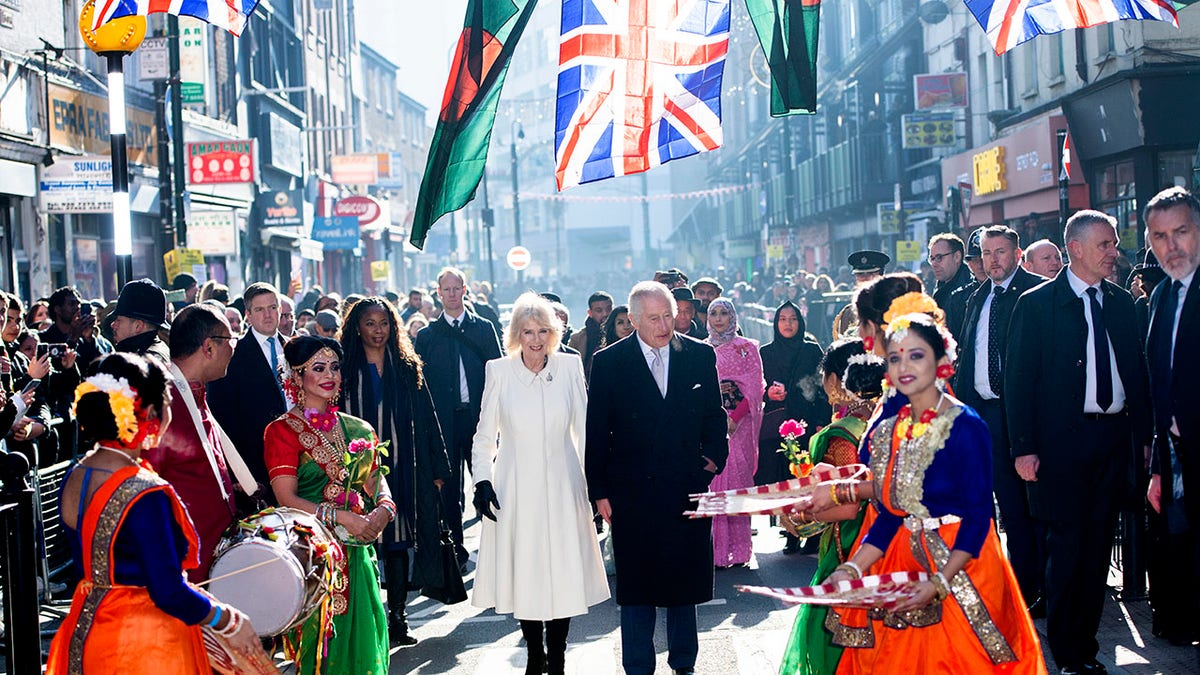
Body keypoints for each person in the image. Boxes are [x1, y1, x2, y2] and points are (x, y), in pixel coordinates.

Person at [821, 313, 1046, 674]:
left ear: (942, 362)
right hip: (907, 562)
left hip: (965, 563)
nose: (904, 366)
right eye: (894, 358)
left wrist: (941, 581)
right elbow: (893, 512)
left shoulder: (966, 424)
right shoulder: (893, 428)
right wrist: (851, 568)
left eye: (916, 355)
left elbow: (978, 517)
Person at [46, 353, 263, 674]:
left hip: (88, 629)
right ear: (148, 413)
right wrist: (228, 619)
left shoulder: (76, 474)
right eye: (167, 403)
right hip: (144, 643)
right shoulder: (145, 492)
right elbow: (168, 591)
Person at [1005, 210, 1151, 675]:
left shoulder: (1121, 303)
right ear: (1076, 249)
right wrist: (1022, 447)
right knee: (1067, 550)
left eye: (1113, 244)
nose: (1114, 253)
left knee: (1097, 550)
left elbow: (1137, 374)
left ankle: (1084, 649)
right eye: (1105, 244)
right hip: (1059, 446)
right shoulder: (1036, 304)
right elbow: (1019, 381)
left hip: (1112, 441)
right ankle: (1069, 655)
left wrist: (1144, 439)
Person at [586, 281, 728, 675]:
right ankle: (637, 666)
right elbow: (597, 430)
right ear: (632, 320)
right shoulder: (610, 362)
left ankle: (684, 664)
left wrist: (713, 460)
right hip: (632, 489)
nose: (665, 325)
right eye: (654, 318)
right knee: (637, 587)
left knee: (685, 582)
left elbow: (715, 417)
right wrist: (598, 491)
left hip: (687, 484)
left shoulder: (699, 355)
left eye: (669, 315)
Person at [471, 293, 609, 674]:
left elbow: (584, 430)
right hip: (515, 485)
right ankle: (535, 653)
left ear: (554, 332)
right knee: (527, 571)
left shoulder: (569, 366)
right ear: (516, 334)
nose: (535, 339)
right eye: (528, 332)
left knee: (563, 569)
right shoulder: (498, 370)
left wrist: (595, 486)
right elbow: (484, 436)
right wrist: (482, 481)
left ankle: (559, 656)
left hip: (565, 483)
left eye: (543, 331)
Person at [264, 336, 394, 674]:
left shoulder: (357, 428)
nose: (329, 375)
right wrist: (341, 517)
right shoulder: (281, 432)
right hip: (313, 557)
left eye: (334, 367)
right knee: (320, 648)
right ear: (295, 376)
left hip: (357, 551)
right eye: (317, 368)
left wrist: (384, 507)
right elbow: (286, 498)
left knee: (365, 643)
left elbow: (376, 480)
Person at [338, 297, 452, 646]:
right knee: (363, 539)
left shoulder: (406, 365)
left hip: (404, 463)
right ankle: (365, 621)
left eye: (384, 323)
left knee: (398, 541)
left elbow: (429, 417)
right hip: (355, 468)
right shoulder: (342, 368)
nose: (378, 330)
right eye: (370, 323)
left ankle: (398, 618)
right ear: (357, 326)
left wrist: (437, 469)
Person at [953, 225, 1047, 616]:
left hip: (1022, 416)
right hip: (981, 415)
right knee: (989, 506)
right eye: (987, 252)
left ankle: (1031, 591)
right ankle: (1000, 584)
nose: (993, 259)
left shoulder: (1036, 293)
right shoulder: (979, 296)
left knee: (1025, 509)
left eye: (1001, 251)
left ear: (1017, 253)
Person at [777, 339, 884, 675]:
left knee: (832, 641)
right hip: (884, 543)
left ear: (838, 380)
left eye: (826, 376)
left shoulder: (842, 434)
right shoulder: (884, 419)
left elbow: (848, 504)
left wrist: (800, 512)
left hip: (849, 546)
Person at [414, 267, 503, 569]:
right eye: (446, 289)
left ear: (465, 290)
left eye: (456, 288)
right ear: (438, 294)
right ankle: (457, 552)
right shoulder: (427, 336)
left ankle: (495, 552)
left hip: (481, 420)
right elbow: (419, 384)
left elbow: (498, 372)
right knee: (449, 493)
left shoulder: (483, 328)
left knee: (486, 482)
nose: (452, 294)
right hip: (444, 425)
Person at [1142, 187, 1200, 652]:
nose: (1171, 246)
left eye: (1180, 231)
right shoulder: (1162, 294)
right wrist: (1160, 466)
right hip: (1177, 457)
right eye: (1159, 236)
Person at [758, 301, 830, 554]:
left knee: (809, 478)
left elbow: (823, 388)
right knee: (785, 480)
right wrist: (769, 393)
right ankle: (790, 533)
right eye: (782, 319)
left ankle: (813, 534)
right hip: (781, 426)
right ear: (775, 324)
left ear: (800, 323)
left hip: (808, 423)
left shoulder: (811, 350)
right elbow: (759, 388)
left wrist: (822, 420)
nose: (788, 324)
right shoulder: (766, 353)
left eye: (793, 319)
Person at [207, 283, 290, 496]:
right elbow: (221, 418)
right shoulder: (232, 355)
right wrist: (238, 474)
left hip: (298, 457)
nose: (268, 315)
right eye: (259, 310)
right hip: (255, 463)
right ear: (248, 315)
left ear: (280, 310)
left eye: (272, 308)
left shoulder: (296, 349)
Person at [705, 298, 763, 568]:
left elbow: (754, 387)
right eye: (713, 313)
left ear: (732, 317)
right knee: (714, 484)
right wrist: (717, 418)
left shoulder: (747, 348)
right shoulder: (701, 350)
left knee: (737, 484)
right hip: (711, 426)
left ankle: (740, 551)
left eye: (723, 313)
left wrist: (734, 417)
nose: (718, 319)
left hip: (740, 426)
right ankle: (715, 551)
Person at [110, 279, 172, 366]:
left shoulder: (142, 363)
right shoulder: (157, 352)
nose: (113, 325)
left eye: (118, 320)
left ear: (138, 326)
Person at [833, 251, 890, 341]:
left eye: (871, 273)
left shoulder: (893, 307)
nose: (865, 278)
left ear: (881, 275)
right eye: (860, 274)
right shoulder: (848, 313)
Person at [928, 233, 973, 343]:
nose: (934, 264)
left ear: (957, 257)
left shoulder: (970, 291)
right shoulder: (941, 289)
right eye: (932, 258)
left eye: (939, 258)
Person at [567, 291, 613, 378]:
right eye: (599, 310)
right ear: (590, 313)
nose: (605, 314)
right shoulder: (577, 339)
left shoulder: (623, 333)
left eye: (608, 309)